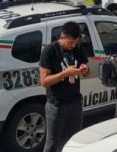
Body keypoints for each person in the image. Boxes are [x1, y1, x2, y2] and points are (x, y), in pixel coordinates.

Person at [39, 21, 89, 152]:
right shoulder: (49, 51)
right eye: (70, 42)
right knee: (52, 144)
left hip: (75, 103)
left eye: (75, 42)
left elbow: (86, 70)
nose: (73, 45)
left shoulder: (77, 48)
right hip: (57, 105)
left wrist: (84, 69)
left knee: (75, 141)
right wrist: (65, 73)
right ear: (62, 36)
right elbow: (44, 81)